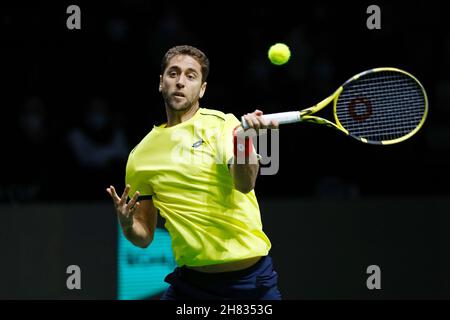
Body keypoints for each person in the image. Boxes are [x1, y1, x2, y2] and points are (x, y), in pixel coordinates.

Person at [106, 45, 281, 300]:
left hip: (250, 282)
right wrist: (127, 224)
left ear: (202, 89)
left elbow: (244, 184)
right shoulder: (140, 157)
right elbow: (144, 237)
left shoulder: (223, 125)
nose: (180, 82)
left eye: (190, 76)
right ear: (160, 82)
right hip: (192, 286)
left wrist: (243, 141)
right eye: (173, 73)